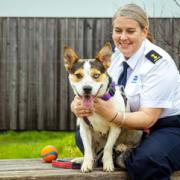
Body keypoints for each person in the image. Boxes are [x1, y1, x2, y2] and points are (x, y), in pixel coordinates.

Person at [71, 3, 180, 180]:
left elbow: (149, 118)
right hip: (127, 128)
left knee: (147, 162)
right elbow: (97, 88)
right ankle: (123, 155)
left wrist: (112, 115)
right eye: (118, 30)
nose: (123, 37)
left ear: (144, 31)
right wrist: (76, 105)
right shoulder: (114, 57)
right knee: (82, 135)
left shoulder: (158, 63)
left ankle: (129, 156)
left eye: (130, 31)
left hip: (166, 128)